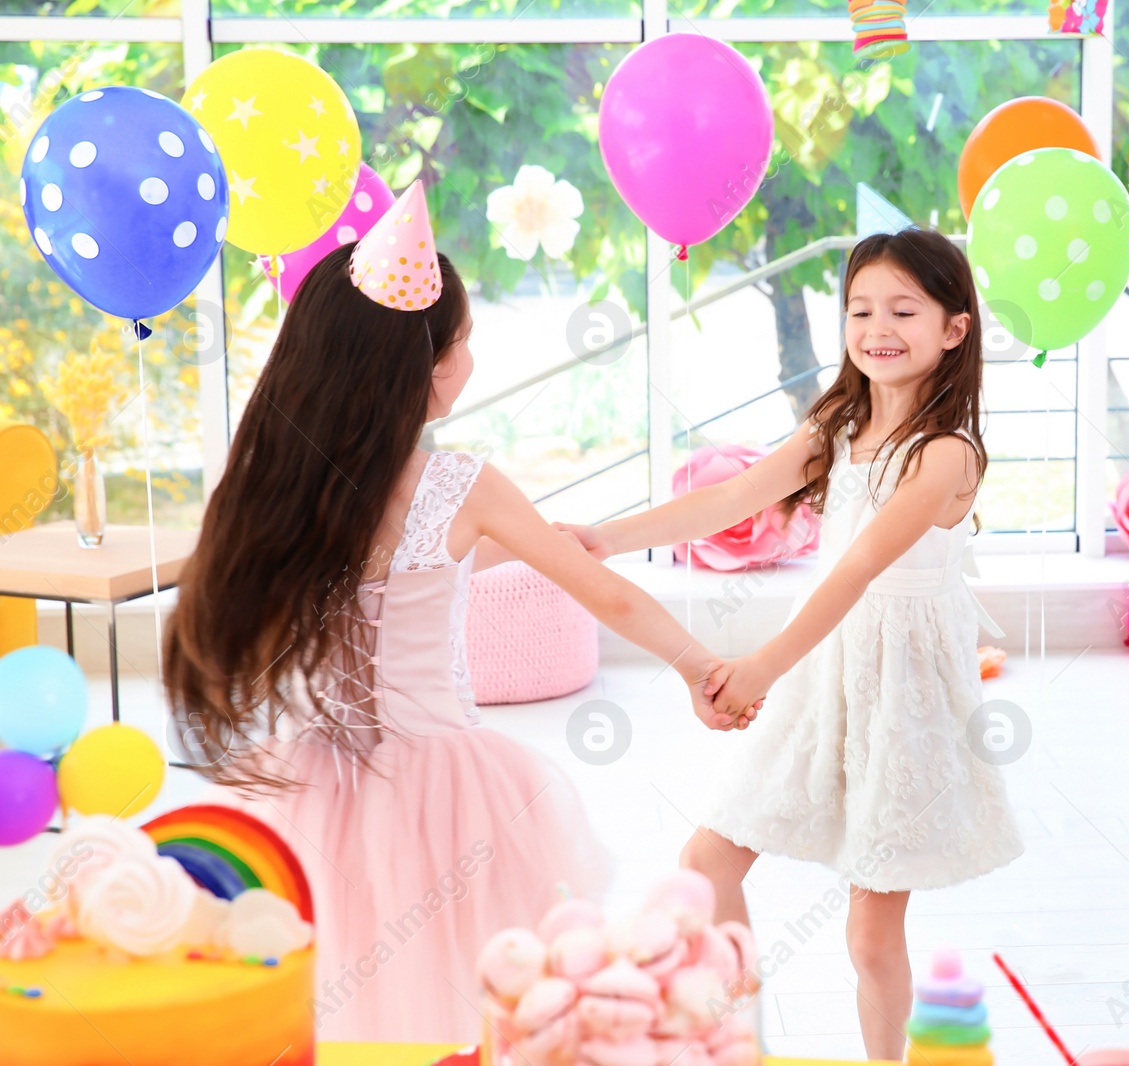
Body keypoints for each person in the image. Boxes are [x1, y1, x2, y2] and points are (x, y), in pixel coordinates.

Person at [162, 184, 756, 1043]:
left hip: (313, 785)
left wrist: (546, 539)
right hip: (448, 791)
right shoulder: (458, 485)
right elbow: (608, 595)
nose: (472, 357)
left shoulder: (270, 489)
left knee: (338, 1004)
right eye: (467, 340)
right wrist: (704, 668)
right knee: (476, 1005)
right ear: (429, 368)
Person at [558, 227, 1024, 1059]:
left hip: (902, 694)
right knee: (705, 862)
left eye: (903, 311)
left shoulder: (948, 454)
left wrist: (757, 668)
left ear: (955, 328)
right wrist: (604, 537)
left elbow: (854, 571)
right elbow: (730, 498)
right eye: (860, 310)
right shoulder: (837, 425)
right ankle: (740, 1042)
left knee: (872, 937)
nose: (877, 328)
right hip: (824, 672)